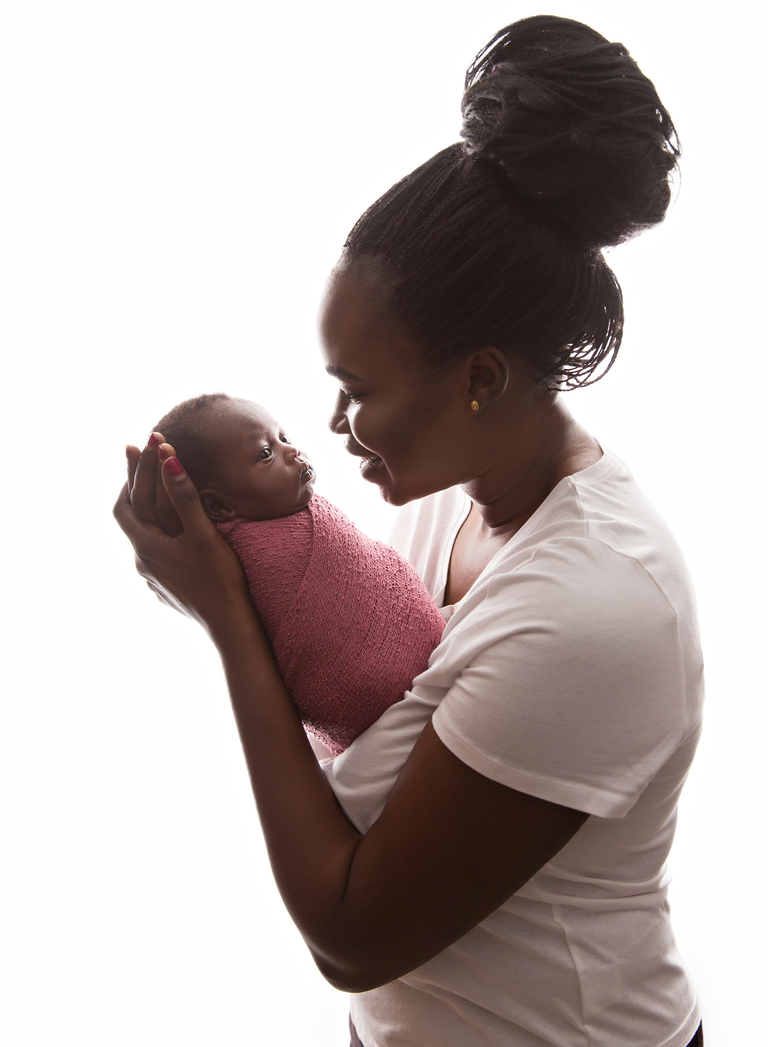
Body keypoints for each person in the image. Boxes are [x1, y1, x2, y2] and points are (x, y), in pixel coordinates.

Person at [115, 15, 704, 1047]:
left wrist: (227, 622)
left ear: (480, 379)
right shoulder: (440, 495)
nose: (335, 426)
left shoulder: (600, 602)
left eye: (358, 391)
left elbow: (354, 936)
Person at [147, 392, 445, 755]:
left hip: (435, 667)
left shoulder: (290, 512)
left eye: (283, 438)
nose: (292, 451)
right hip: (384, 731)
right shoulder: (233, 561)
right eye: (265, 454)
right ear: (218, 506)